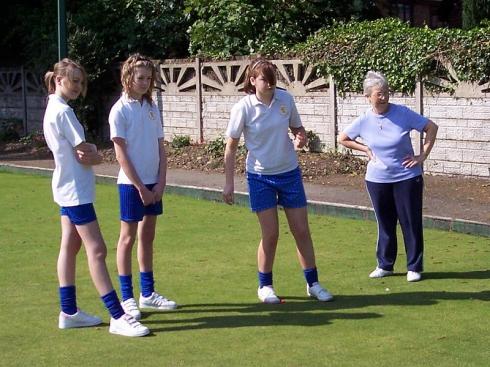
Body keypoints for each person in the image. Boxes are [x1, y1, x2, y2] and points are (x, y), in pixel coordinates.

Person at [43, 58, 149, 337]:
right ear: (58, 80)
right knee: (98, 250)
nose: (78, 86)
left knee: (70, 246)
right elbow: (85, 152)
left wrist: (90, 151)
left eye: (81, 82)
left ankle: (69, 311)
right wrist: (96, 153)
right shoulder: (63, 112)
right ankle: (117, 316)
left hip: (67, 188)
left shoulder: (54, 108)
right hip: (75, 192)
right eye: (73, 81)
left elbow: (82, 151)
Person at [223, 58, 334, 304]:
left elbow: (298, 129)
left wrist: (300, 138)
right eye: (265, 78)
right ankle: (265, 286)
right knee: (271, 234)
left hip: (289, 173)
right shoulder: (243, 107)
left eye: (273, 77)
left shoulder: (286, 100)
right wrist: (229, 183)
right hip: (260, 177)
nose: (271, 83)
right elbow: (230, 148)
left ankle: (313, 284)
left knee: (301, 230)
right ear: (253, 81)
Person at [339, 71, 438, 282]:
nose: (383, 97)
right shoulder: (364, 120)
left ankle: (414, 266)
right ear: (368, 97)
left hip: (407, 177)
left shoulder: (403, 113)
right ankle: (385, 265)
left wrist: (422, 156)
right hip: (377, 179)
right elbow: (344, 138)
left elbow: (431, 127)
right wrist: (364, 149)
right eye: (378, 93)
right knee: (385, 223)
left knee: (410, 221)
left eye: (386, 92)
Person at [109, 53, 177, 320]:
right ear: (128, 77)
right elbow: (120, 154)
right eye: (140, 77)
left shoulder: (152, 108)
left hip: (153, 183)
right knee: (127, 238)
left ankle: (147, 294)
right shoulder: (119, 109)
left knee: (147, 237)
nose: (145, 82)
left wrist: (160, 182)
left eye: (148, 78)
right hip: (130, 185)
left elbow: (161, 148)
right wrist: (140, 187)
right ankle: (127, 298)